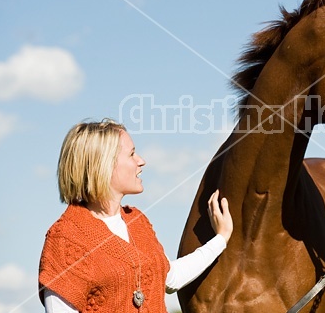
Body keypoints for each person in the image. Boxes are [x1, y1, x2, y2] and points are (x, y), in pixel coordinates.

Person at [38, 119, 233, 312]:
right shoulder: (64, 238)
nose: (141, 161)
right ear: (103, 164)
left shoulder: (137, 221)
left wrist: (220, 239)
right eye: (131, 154)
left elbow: (170, 278)